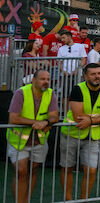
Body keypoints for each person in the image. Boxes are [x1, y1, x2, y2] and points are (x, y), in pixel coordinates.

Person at [60, 63, 100, 200]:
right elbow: (78, 116)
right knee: (68, 168)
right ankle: (68, 199)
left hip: (93, 137)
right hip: (71, 134)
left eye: (99, 73)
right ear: (85, 76)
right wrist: (99, 118)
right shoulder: (77, 89)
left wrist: (90, 121)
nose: (97, 77)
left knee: (91, 171)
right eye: (93, 74)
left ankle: (83, 199)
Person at [7, 70, 59, 203]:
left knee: (34, 170)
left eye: (48, 79)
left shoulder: (50, 93)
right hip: (19, 140)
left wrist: (46, 122)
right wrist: (36, 123)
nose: (46, 81)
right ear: (34, 80)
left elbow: (54, 116)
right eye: (42, 79)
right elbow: (13, 118)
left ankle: (26, 200)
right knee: (21, 172)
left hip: (39, 140)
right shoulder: (21, 93)